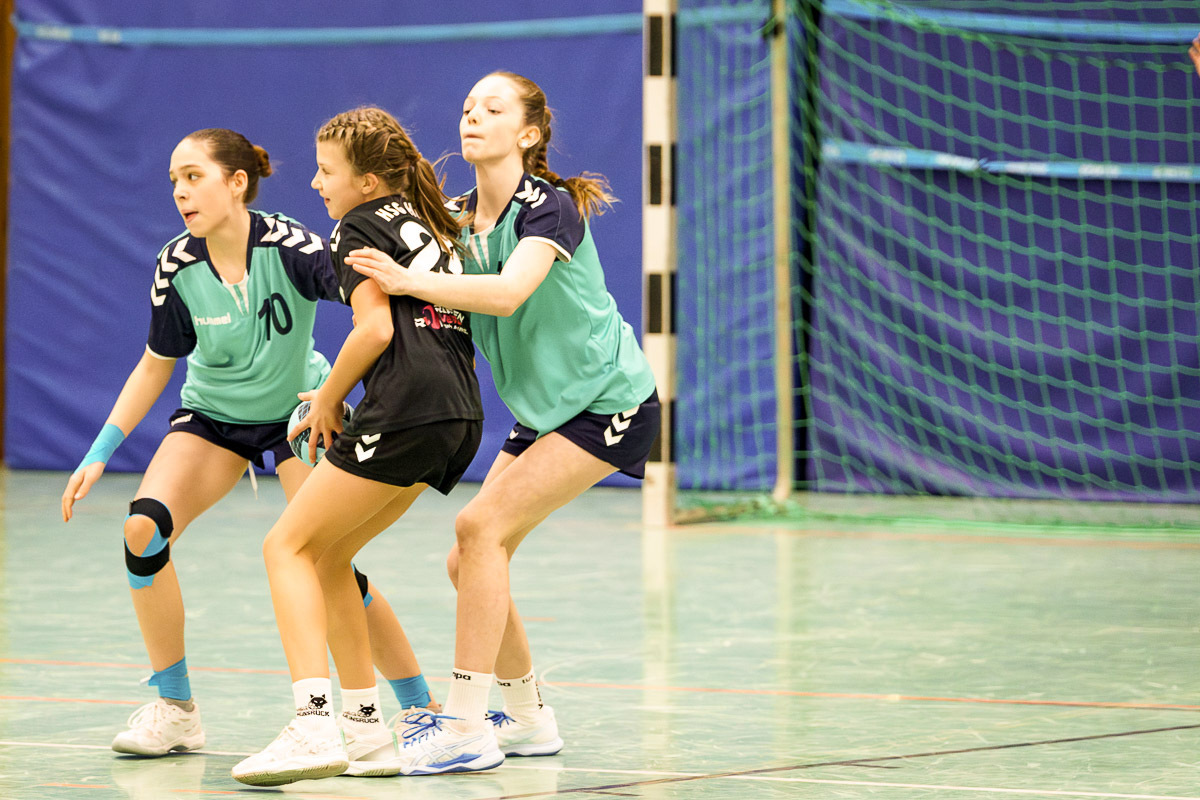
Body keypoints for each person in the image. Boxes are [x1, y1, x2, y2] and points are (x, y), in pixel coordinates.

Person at [61, 128, 439, 759]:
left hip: (298, 418)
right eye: (174, 180)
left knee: (328, 559)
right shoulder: (177, 265)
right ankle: (176, 710)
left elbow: (373, 305)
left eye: (194, 176)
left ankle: (420, 705)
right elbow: (155, 363)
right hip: (213, 418)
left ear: (237, 182)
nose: (181, 192)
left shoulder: (292, 246)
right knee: (142, 531)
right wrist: (99, 452)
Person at [345, 72, 661, 775]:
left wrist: (408, 279)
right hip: (544, 412)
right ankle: (525, 716)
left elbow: (509, 293)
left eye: (493, 109)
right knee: (468, 558)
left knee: (477, 529)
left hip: (608, 403)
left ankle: (463, 723)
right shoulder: (456, 219)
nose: (473, 117)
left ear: (528, 134)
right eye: (466, 107)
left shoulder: (547, 207)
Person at [231, 107, 484, 786]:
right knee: (330, 556)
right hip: (458, 413)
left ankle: (312, 723)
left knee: (284, 547)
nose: (316, 183)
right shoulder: (429, 225)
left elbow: (374, 331)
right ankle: (367, 732)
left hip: (407, 407)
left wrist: (327, 397)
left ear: (367, 182)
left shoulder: (357, 226)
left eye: (326, 171)